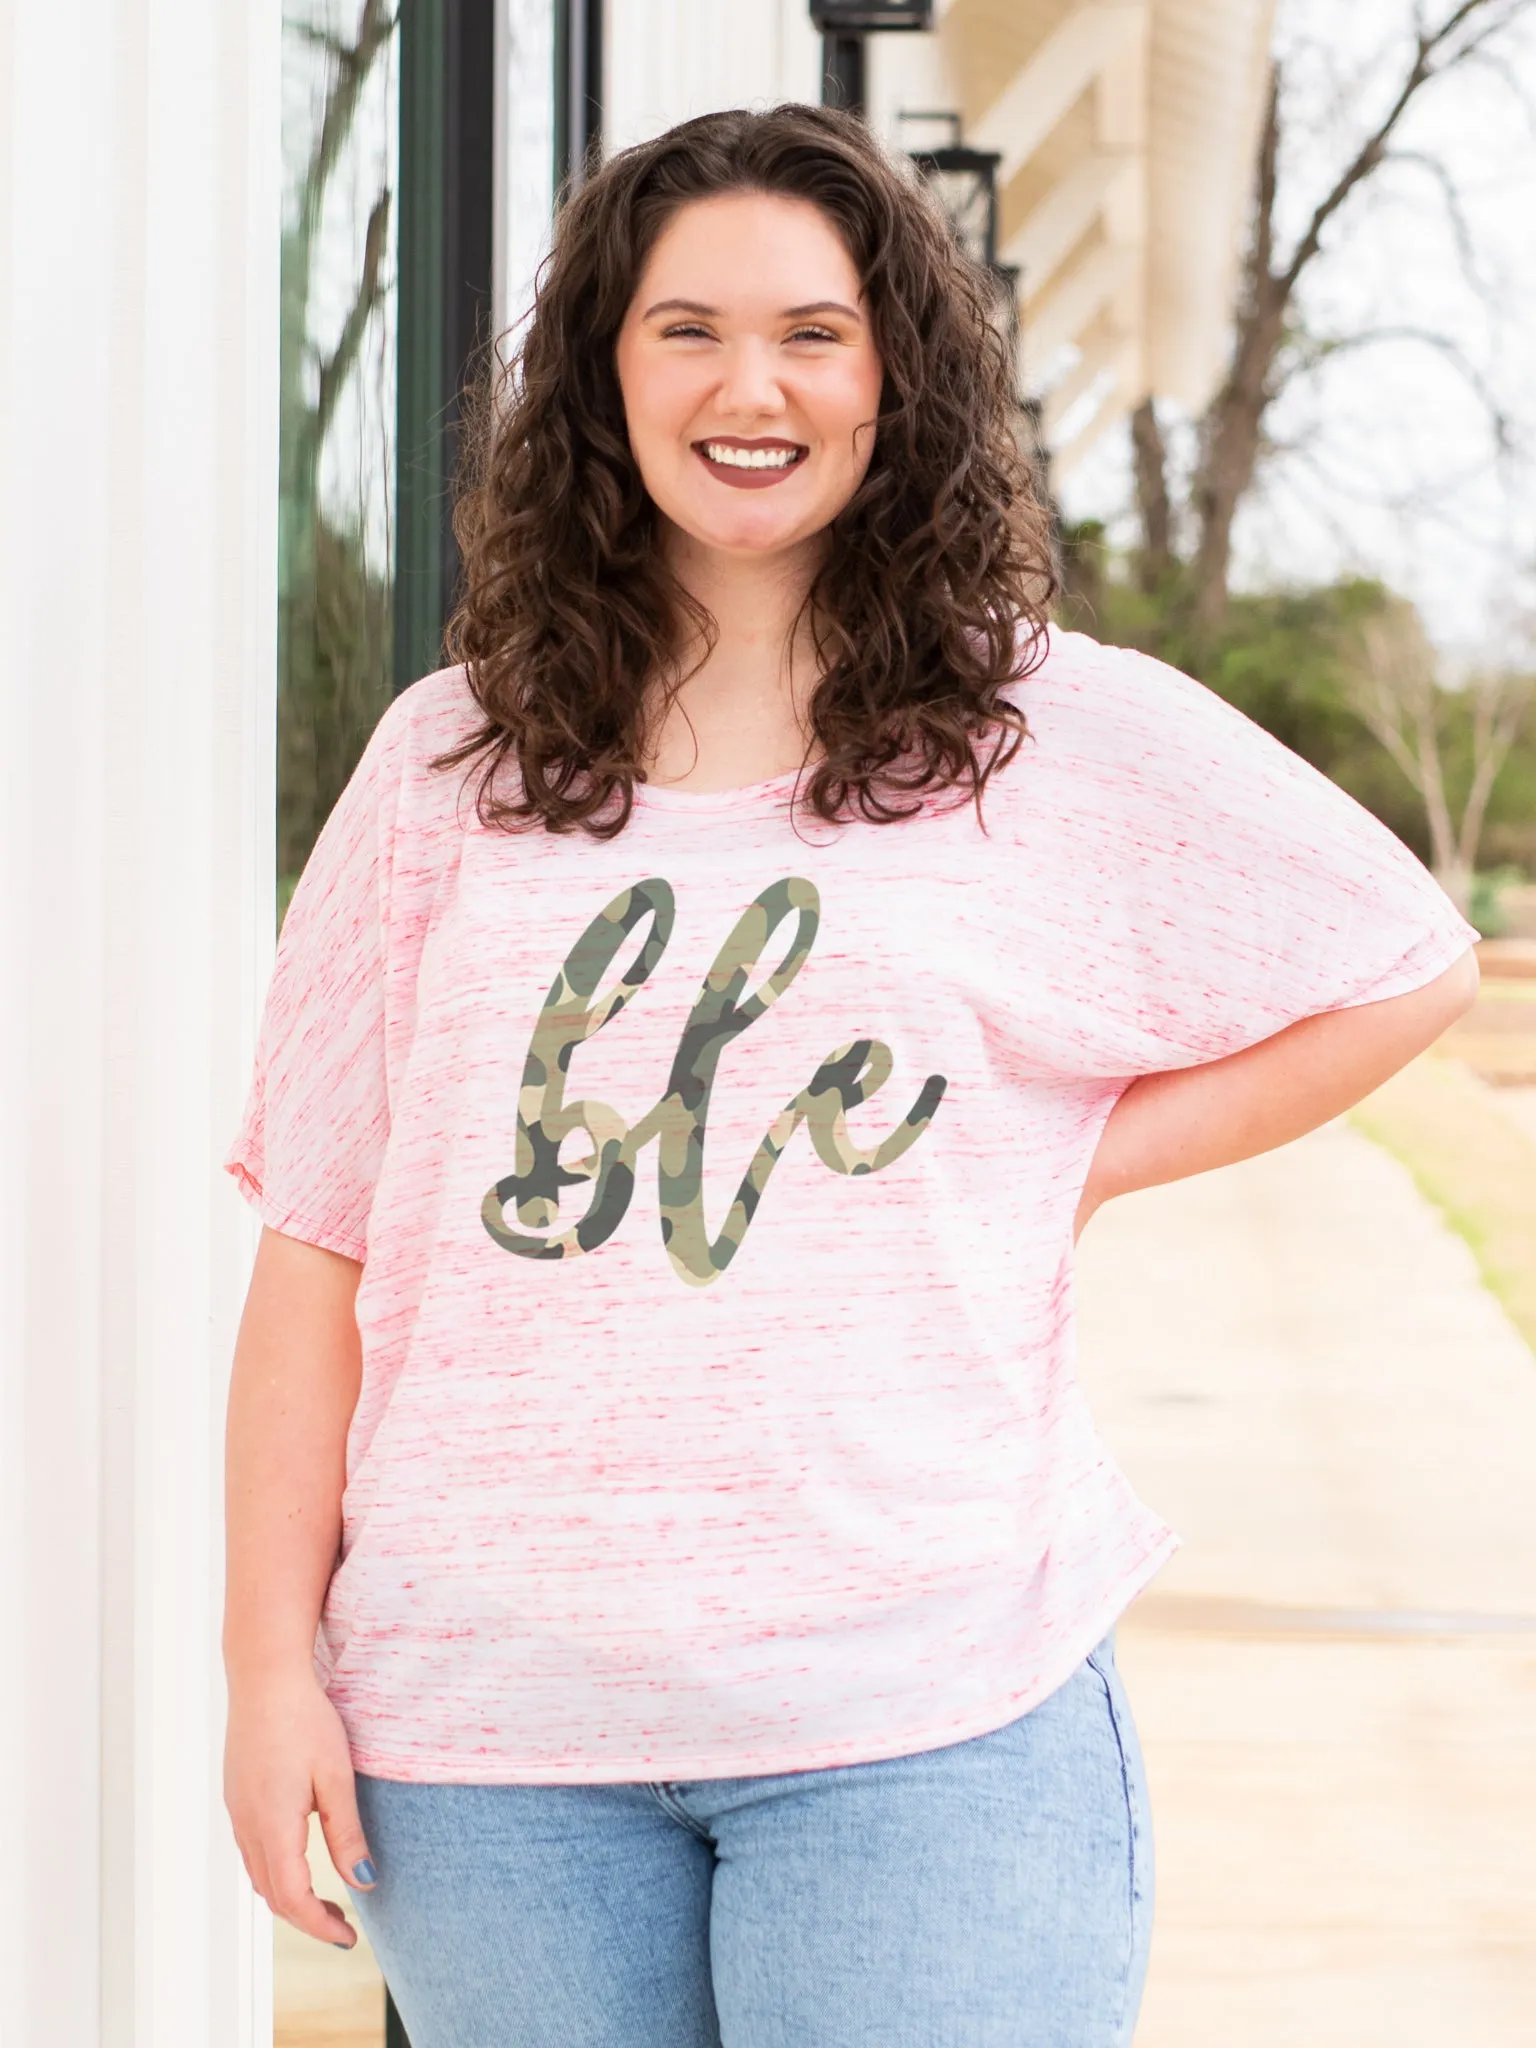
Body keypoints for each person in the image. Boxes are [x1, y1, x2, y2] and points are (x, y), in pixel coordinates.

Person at [221, 105, 1478, 2048]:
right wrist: (266, 1673)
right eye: (686, 329)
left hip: (926, 1717)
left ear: (897, 374)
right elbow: (317, 1248)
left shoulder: (1040, 731)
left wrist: (1063, 1153)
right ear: (599, 376)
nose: (753, 384)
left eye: (816, 331)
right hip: (487, 1740)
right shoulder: (440, 768)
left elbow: (1401, 961)